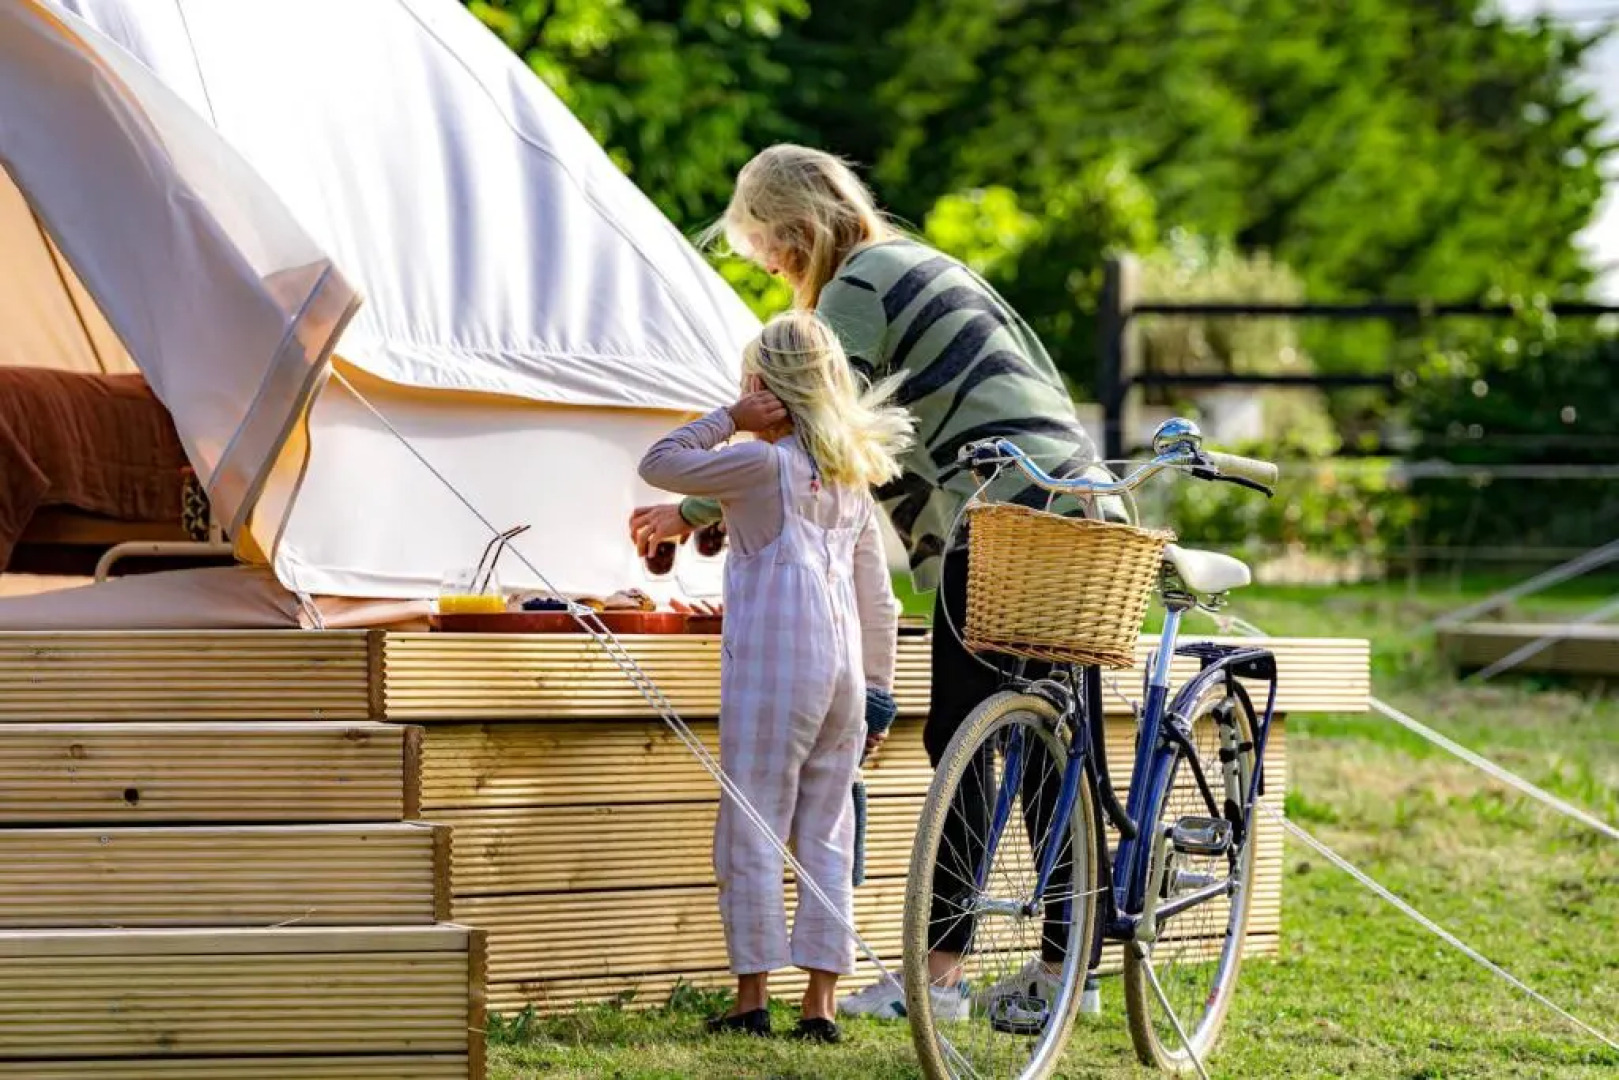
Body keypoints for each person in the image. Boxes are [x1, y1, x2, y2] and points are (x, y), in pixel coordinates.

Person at [630, 144, 1120, 1020]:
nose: (776, 269)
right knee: (1051, 745)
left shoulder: (859, 281)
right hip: (1069, 503)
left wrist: (693, 513)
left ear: (799, 229)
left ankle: (937, 979)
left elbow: (817, 425)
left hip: (1001, 513)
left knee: (965, 741)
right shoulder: (923, 261)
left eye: (772, 250)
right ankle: (1064, 969)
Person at [638, 310, 913, 1043]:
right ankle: (819, 1004)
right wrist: (880, 698)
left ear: (762, 386)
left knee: (752, 823)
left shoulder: (759, 463)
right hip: (845, 675)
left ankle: (750, 995)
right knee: (827, 828)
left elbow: (659, 463)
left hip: (776, 671)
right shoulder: (849, 479)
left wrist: (725, 418)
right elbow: (878, 600)